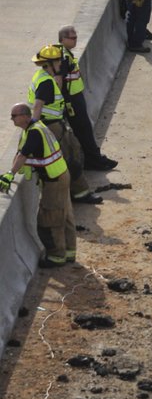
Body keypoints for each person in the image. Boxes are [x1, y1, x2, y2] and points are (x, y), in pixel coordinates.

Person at [2, 104, 77, 268]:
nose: (12, 119)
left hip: (54, 180)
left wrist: (10, 174)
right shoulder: (35, 127)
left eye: (14, 116)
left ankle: (57, 256)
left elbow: (22, 155)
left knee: (49, 219)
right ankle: (70, 252)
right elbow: (21, 152)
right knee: (65, 214)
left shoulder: (34, 132)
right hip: (60, 174)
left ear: (25, 116)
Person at [28, 45, 102, 204]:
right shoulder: (46, 82)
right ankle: (81, 194)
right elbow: (38, 106)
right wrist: (33, 128)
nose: (61, 65)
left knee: (73, 152)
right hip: (52, 127)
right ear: (48, 64)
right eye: (57, 62)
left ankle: (75, 192)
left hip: (53, 124)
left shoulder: (42, 76)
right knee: (71, 159)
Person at [57, 25, 117, 171]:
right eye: (72, 38)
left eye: (76, 37)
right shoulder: (63, 57)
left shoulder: (65, 54)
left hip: (75, 98)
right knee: (83, 130)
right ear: (62, 39)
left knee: (83, 130)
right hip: (71, 101)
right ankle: (94, 160)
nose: (75, 40)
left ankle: (91, 158)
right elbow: (58, 81)